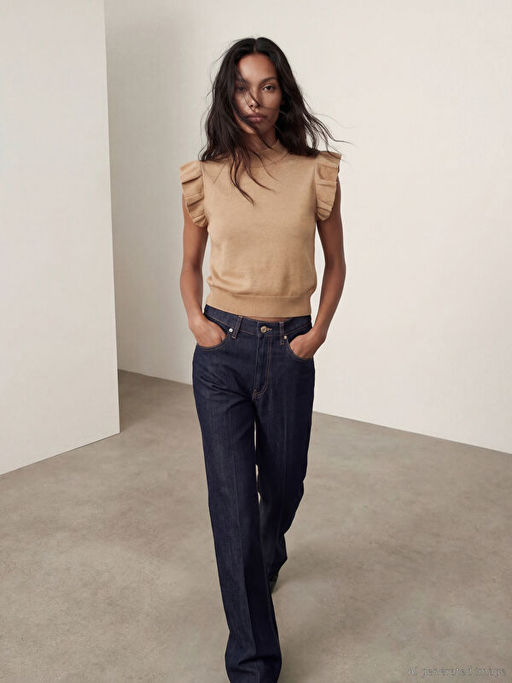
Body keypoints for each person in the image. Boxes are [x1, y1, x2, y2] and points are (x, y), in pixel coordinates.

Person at [179, 36, 346, 683]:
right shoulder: (206, 176)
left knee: (284, 483)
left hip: (289, 348)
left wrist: (317, 332)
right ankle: (253, 663)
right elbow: (190, 265)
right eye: (243, 87)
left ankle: (271, 546)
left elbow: (337, 263)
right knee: (232, 508)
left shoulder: (314, 173)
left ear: (283, 93)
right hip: (221, 353)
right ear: (228, 95)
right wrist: (196, 321)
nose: (255, 100)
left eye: (268, 86)